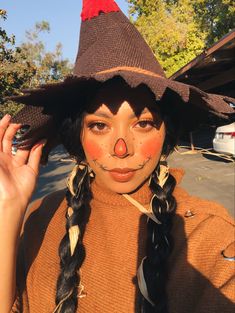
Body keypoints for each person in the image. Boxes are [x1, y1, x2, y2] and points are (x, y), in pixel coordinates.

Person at [0, 1, 234, 313]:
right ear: (77, 136)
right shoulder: (41, 217)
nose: (121, 148)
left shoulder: (209, 234)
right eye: (99, 125)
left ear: (166, 132)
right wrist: (9, 207)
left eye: (143, 123)